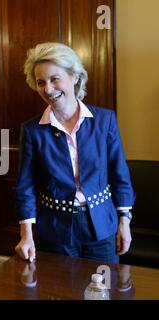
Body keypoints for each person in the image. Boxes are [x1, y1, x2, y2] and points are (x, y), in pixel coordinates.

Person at [14, 42, 135, 264]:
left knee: (104, 291)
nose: (48, 89)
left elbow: (120, 175)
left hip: (101, 225)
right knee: (60, 293)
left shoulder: (105, 121)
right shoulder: (32, 130)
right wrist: (26, 235)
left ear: (75, 77)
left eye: (54, 79)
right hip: (55, 230)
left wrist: (124, 221)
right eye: (41, 82)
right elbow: (26, 185)